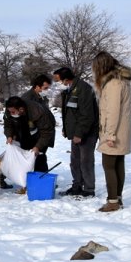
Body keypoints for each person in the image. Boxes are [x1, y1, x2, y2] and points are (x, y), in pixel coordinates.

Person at [93, 52, 131, 212]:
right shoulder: (121, 80)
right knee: (118, 164)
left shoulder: (113, 84)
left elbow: (113, 111)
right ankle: (117, 198)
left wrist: (110, 135)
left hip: (114, 131)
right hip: (121, 130)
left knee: (109, 165)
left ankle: (113, 201)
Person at [53, 67, 99, 197]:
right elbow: (70, 112)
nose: (58, 82)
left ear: (66, 79)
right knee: (75, 162)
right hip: (76, 133)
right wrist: (66, 129)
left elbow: (87, 115)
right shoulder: (70, 89)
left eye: (58, 80)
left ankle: (89, 189)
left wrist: (79, 134)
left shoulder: (83, 89)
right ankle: (77, 186)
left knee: (86, 162)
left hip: (87, 133)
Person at [3, 95, 56, 173]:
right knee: (23, 154)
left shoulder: (37, 111)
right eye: (9, 111)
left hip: (42, 133)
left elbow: (46, 132)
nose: (11, 113)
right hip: (24, 132)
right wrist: (9, 136)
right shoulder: (10, 109)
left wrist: (38, 147)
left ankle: (40, 177)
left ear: (21, 109)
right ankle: (24, 175)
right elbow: (8, 125)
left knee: (39, 156)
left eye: (13, 112)